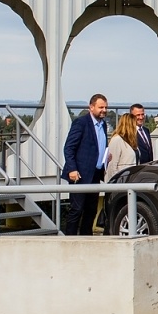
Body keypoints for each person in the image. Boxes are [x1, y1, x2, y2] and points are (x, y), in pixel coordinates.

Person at [61, 93, 108, 236]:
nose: (104, 110)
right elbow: (69, 148)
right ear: (91, 107)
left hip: (95, 173)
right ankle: (69, 240)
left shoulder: (103, 125)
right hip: (79, 175)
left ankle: (86, 239)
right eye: (101, 107)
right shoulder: (81, 123)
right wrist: (72, 169)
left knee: (91, 210)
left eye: (105, 107)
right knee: (77, 209)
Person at [105, 113, 139, 181]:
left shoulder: (132, 141)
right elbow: (112, 166)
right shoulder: (117, 140)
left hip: (131, 180)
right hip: (120, 182)